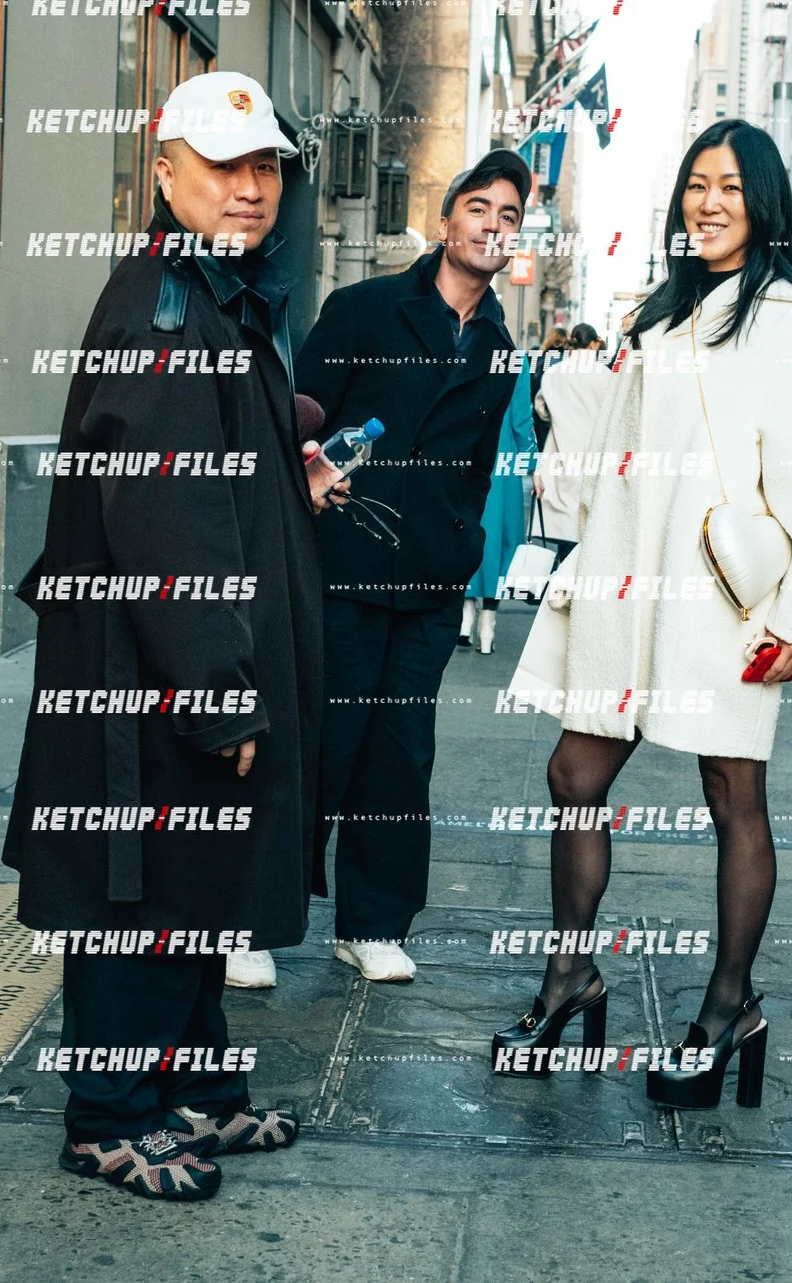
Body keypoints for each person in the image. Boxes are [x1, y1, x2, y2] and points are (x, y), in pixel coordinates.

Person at [3, 71, 337, 1202]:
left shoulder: (211, 290)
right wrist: (218, 688)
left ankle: (196, 1089)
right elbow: (165, 518)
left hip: (196, 656)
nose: (249, 187)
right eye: (223, 164)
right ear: (164, 170)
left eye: (265, 166)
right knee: (138, 895)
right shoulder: (163, 301)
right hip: (152, 675)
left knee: (201, 882)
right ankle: (108, 1117)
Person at [501, 119, 792, 1106]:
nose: (708, 202)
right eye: (697, 183)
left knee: (730, 792)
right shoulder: (663, 312)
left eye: (731, 187)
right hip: (627, 587)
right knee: (573, 772)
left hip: (722, 600)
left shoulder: (785, 320)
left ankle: (727, 1006)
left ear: (764, 204)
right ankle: (569, 978)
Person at [290, 148, 530, 984]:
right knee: (319, 743)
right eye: (479, 207)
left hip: (429, 580)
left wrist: (463, 545)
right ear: (445, 219)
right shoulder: (365, 308)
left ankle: (373, 922)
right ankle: (254, 919)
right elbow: (300, 417)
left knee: (399, 755)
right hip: (344, 562)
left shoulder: (500, 346)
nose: (491, 225)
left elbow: (475, 467)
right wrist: (313, 475)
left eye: (508, 216)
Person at [466, 360, 537, 653]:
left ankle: (465, 613)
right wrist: (532, 463)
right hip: (501, 459)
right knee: (499, 539)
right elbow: (521, 419)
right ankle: (488, 624)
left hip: (465, 454)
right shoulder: (516, 361)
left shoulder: (466, 351)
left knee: (467, 528)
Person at [533, 322, 608, 567]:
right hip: (593, 452)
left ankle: (561, 570)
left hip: (559, 449)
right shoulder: (605, 375)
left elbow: (541, 408)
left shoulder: (553, 373)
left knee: (563, 521)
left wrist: (557, 417)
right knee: (587, 519)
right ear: (593, 344)